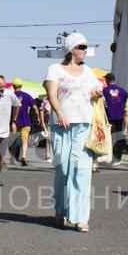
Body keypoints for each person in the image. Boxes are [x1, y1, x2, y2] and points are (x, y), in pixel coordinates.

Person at [44, 33, 103, 232]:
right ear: (71, 49)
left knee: (82, 170)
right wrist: (59, 112)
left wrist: (97, 92)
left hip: (83, 124)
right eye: (81, 46)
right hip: (61, 124)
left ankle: (80, 218)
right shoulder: (55, 69)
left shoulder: (88, 71)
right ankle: (60, 210)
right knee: (63, 169)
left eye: (86, 47)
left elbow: (96, 90)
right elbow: (51, 94)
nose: (85, 50)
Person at [102, 73, 128, 162]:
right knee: (118, 137)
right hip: (120, 117)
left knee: (109, 137)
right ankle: (117, 157)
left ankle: (109, 155)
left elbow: (101, 102)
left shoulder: (105, 90)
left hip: (109, 117)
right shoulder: (122, 90)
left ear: (107, 80)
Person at [12, 78, 37, 166]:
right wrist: (37, 117)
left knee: (14, 140)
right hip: (26, 121)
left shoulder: (10, 95)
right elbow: (34, 107)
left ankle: (14, 157)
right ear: (21, 86)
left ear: (13, 86)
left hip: (14, 122)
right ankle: (23, 156)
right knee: (24, 141)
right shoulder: (27, 95)